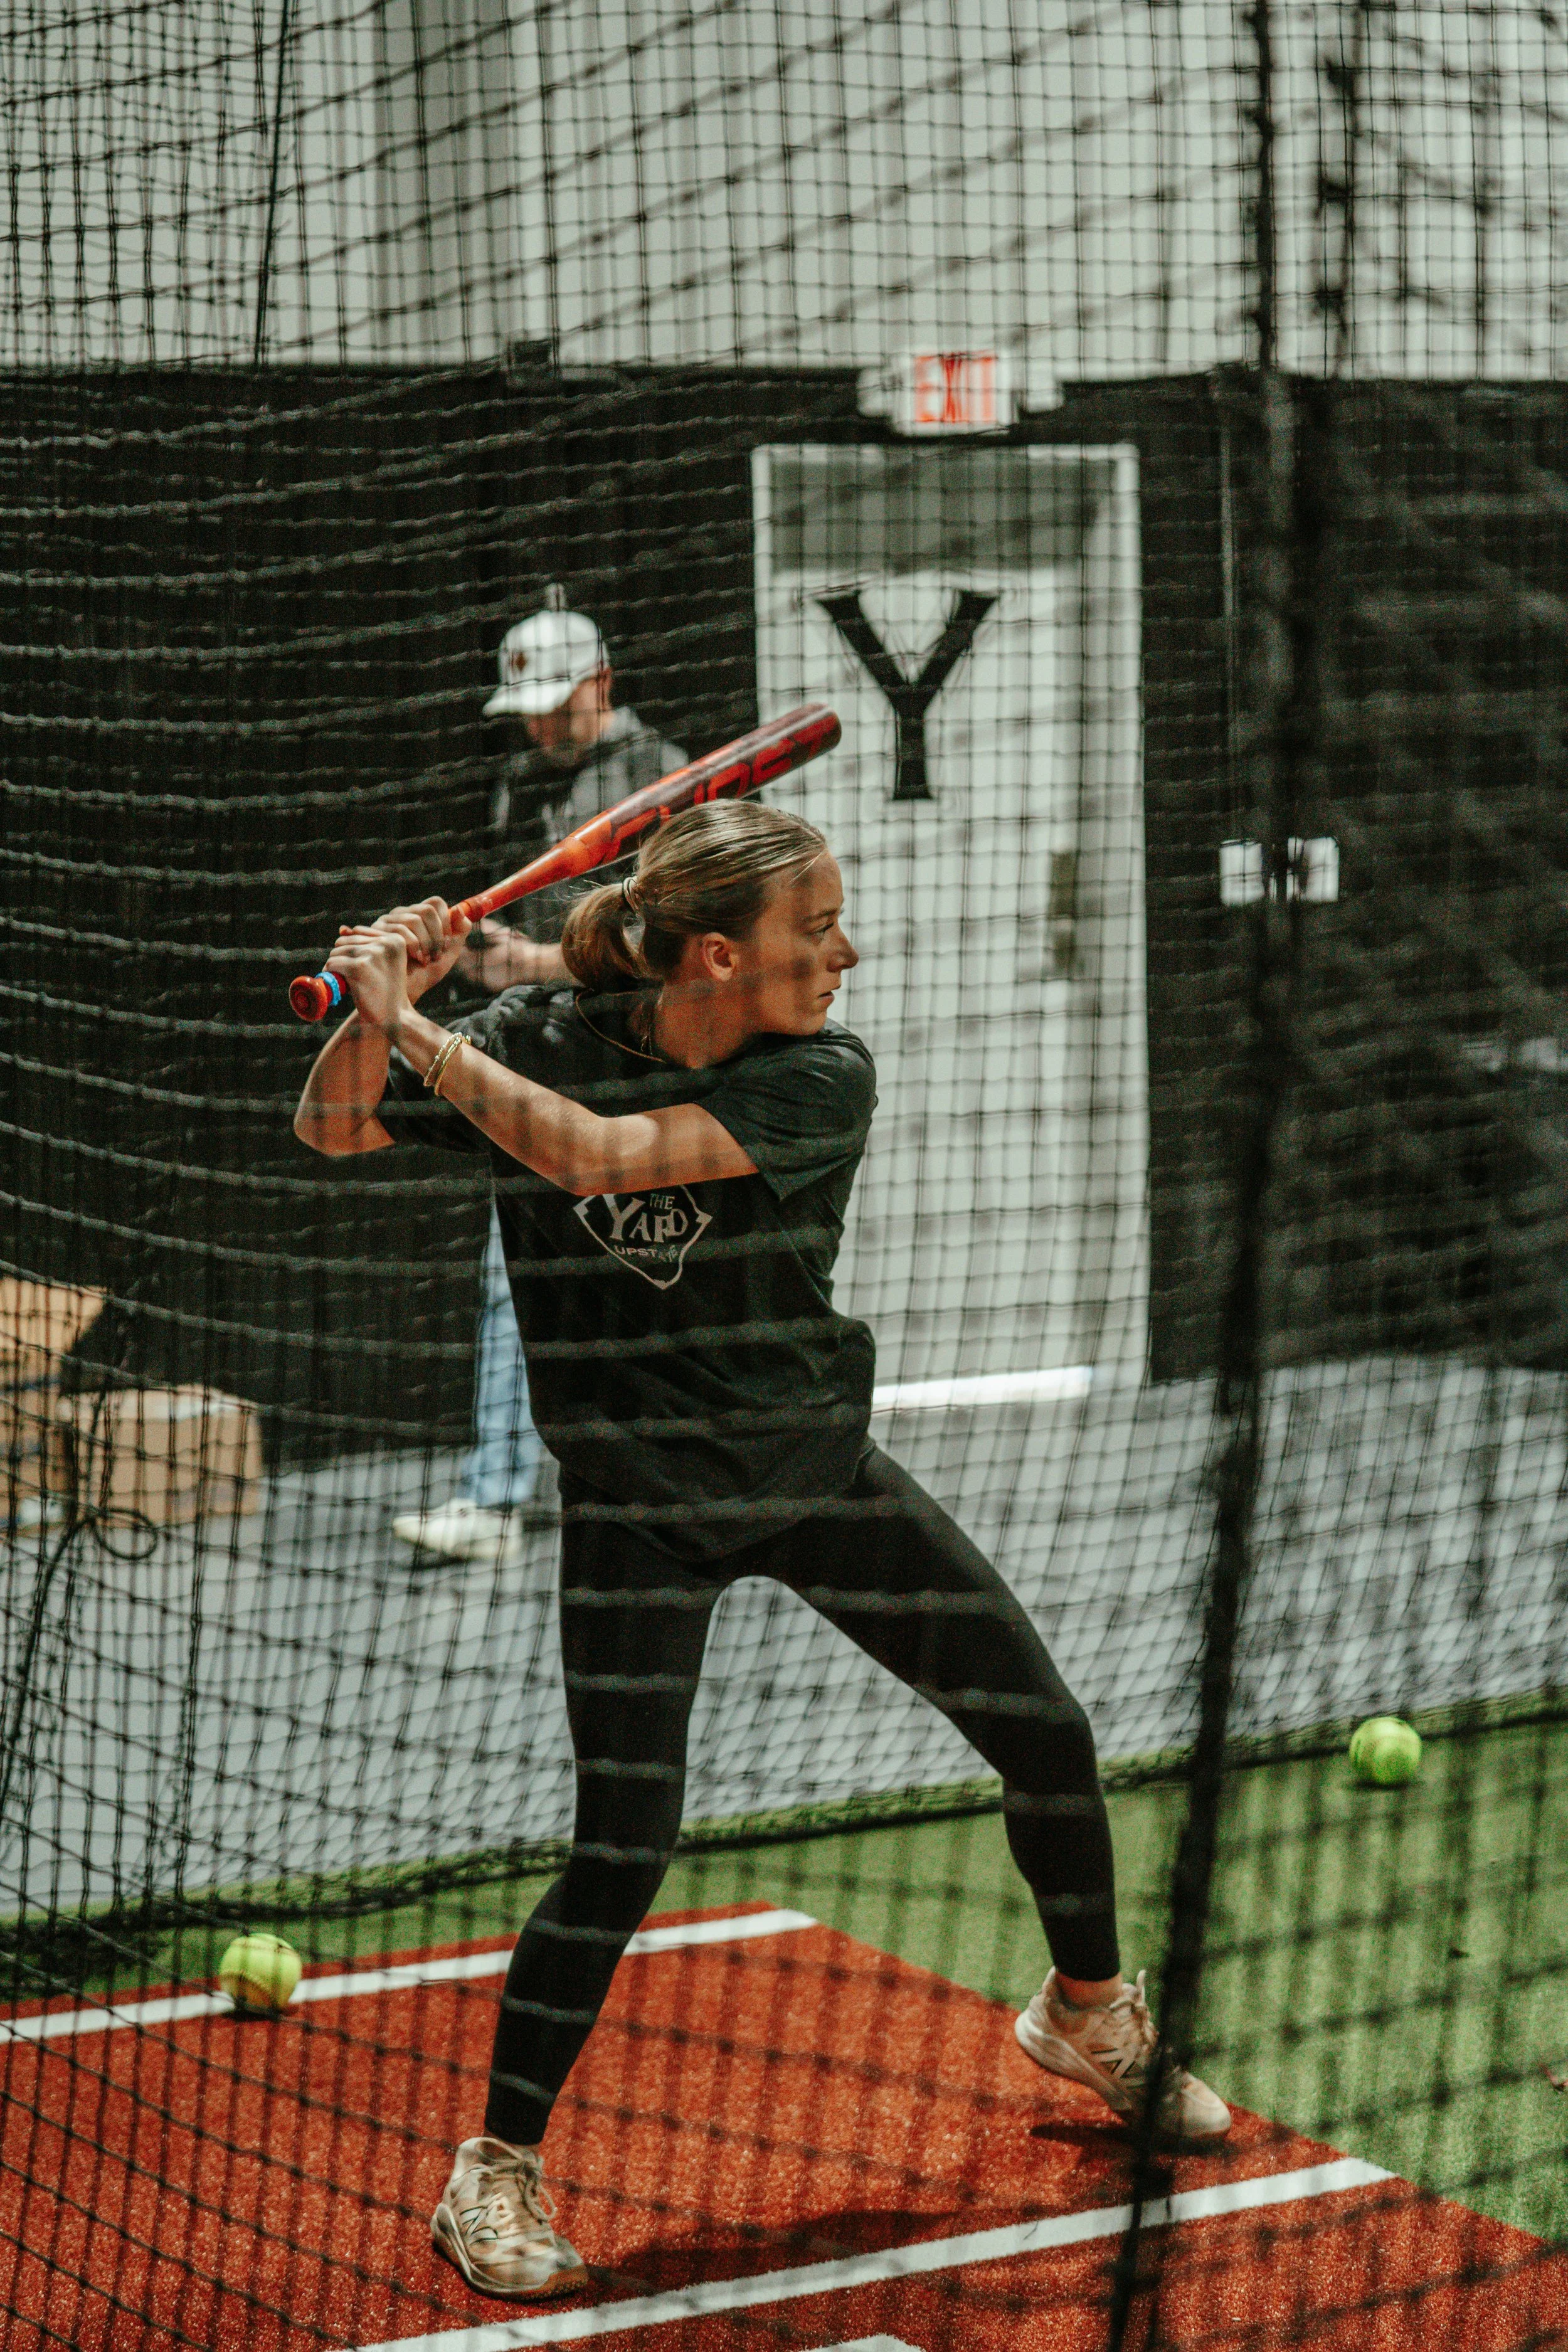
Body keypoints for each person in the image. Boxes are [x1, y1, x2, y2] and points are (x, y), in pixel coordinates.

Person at [294, 800, 1231, 2303]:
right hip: (633, 1507)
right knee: (621, 1845)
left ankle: (1087, 2013)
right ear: (716, 955)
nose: (845, 956)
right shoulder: (537, 1030)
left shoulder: (816, 1073)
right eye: (818, 932)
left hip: (807, 1469)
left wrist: (420, 1025)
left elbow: (602, 1164)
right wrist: (373, 999)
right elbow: (331, 1124)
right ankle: (495, 2169)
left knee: (1044, 1735)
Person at [391, 605, 687, 1566]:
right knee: (513, 1275)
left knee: (657, 1272)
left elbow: (669, 952)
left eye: (553, 707)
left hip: (645, 1069)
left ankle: (677, 1480)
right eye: (526, 709)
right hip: (544, 1059)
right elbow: (514, 917)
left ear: (601, 682)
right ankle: (497, 1495)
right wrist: (480, 953)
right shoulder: (521, 780)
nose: (536, 727)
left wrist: (538, 964)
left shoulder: (664, 779)